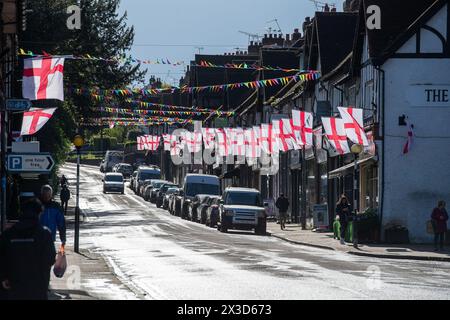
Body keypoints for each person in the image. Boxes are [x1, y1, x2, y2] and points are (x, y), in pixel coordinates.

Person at [0, 198, 56, 300]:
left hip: (14, 286)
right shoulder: (44, 234)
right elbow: (50, 258)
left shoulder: (8, 234)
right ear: (39, 213)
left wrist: (3, 277)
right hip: (38, 286)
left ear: (21, 212)